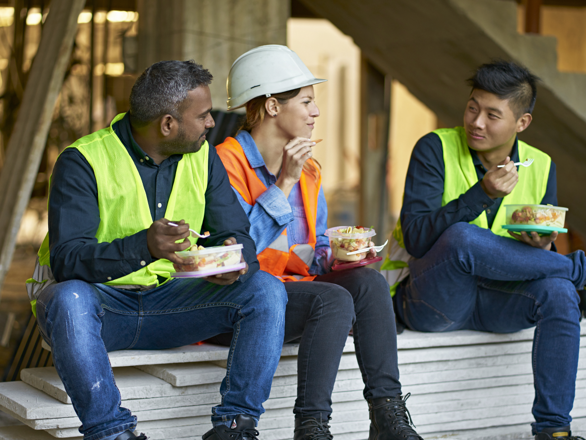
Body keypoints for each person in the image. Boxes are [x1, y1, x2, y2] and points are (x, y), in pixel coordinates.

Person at [26, 60, 288, 440]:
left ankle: (235, 428)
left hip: (173, 305)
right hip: (102, 312)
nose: (212, 124)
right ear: (168, 124)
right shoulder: (83, 161)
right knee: (69, 297)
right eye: (202, 117)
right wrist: (144, 246)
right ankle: (112, 433)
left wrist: (233, 257)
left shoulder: (203, 156)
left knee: (264, 288)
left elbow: (236, 231)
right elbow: (68, 260)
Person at [381, 60, 586, 440]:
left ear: (522, 123)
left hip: (500, 302)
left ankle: (554, 431)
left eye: (492, 114)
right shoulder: (434, 148)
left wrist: (541, 245)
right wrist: (481, 195)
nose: (476, 122)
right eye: (472, 107)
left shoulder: (542, 165)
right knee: (462, 238)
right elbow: (418, 239)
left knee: (559, 291)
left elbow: (542, 238)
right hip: (434, 301)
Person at [213, 45, 423, 440]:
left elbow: (315, 257)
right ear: (273, 106)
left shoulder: (309, 169)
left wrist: (344, 256)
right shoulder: (225, 163)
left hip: (298, 294)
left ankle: (387, 415)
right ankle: (311, 426)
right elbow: (235, 254)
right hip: (245, 304)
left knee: (370, 284)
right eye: (307, 101)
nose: (316, 112)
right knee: (334, 300)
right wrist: (283, 183)